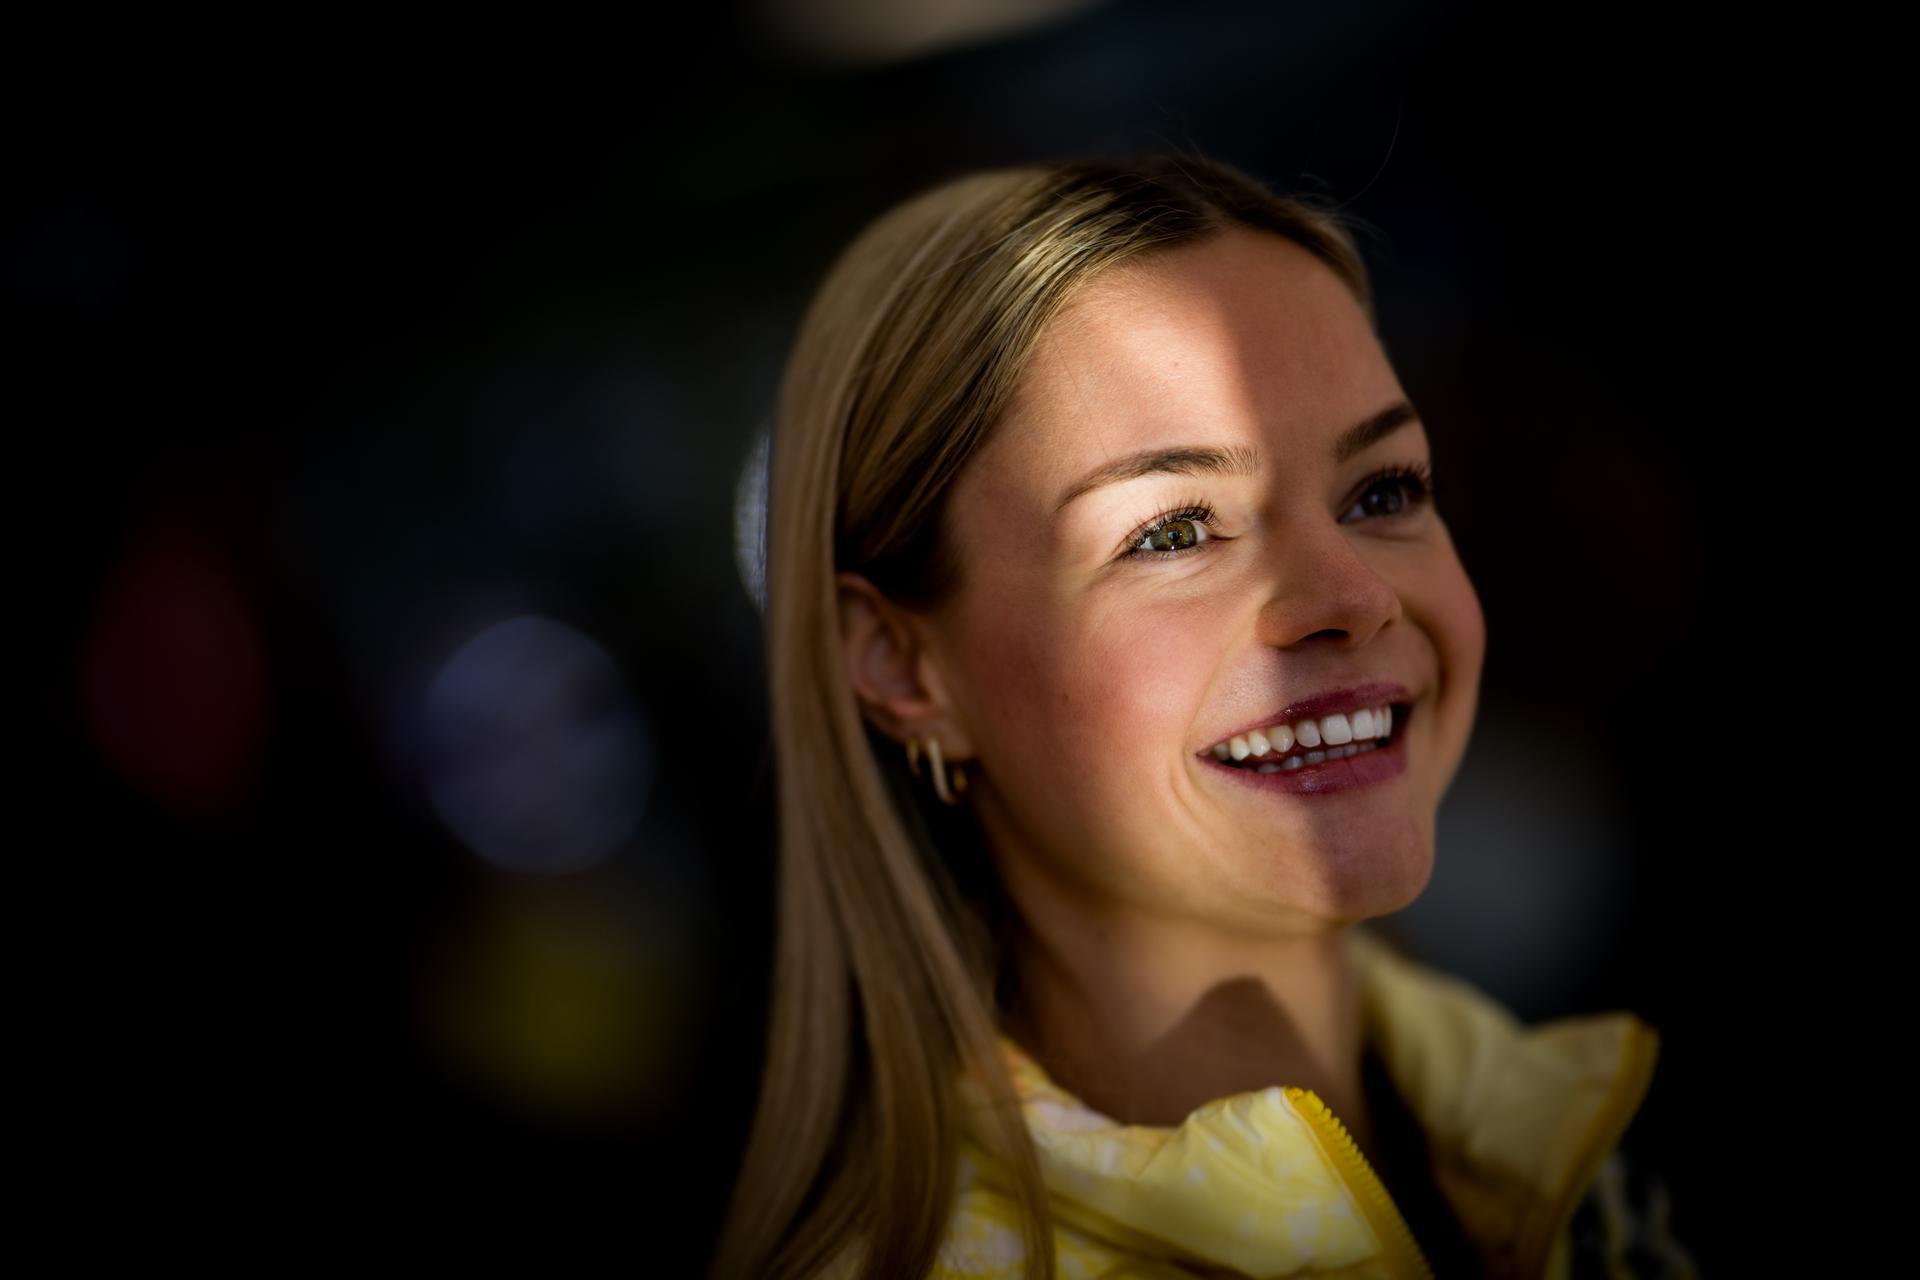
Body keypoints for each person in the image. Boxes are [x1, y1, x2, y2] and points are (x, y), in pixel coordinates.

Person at [710, 151, 1697, 1280]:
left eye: (1383, 490)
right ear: (902, 665)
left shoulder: (1580, 1134)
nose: (1354, 597)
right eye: (1175, 531)